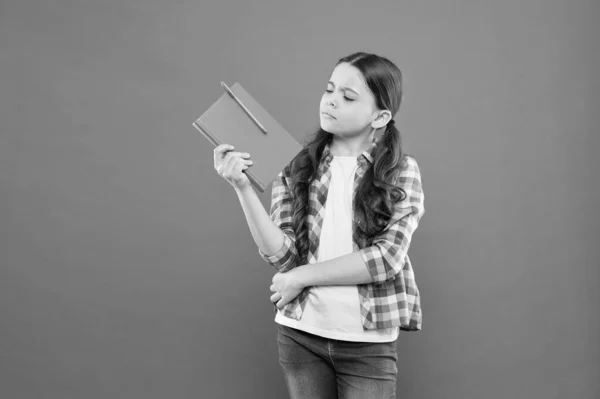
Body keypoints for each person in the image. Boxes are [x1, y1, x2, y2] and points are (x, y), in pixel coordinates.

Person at [213, 52, 425, 399]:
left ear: (380, 116)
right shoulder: (296, 165)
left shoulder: (401, 172)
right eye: (329, 90)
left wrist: (300, 277)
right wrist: (243, 187)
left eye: (348, 96)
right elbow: (282, 257)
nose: (331, 101)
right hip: (300, 336)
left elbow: (386, 259)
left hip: (367, 346)